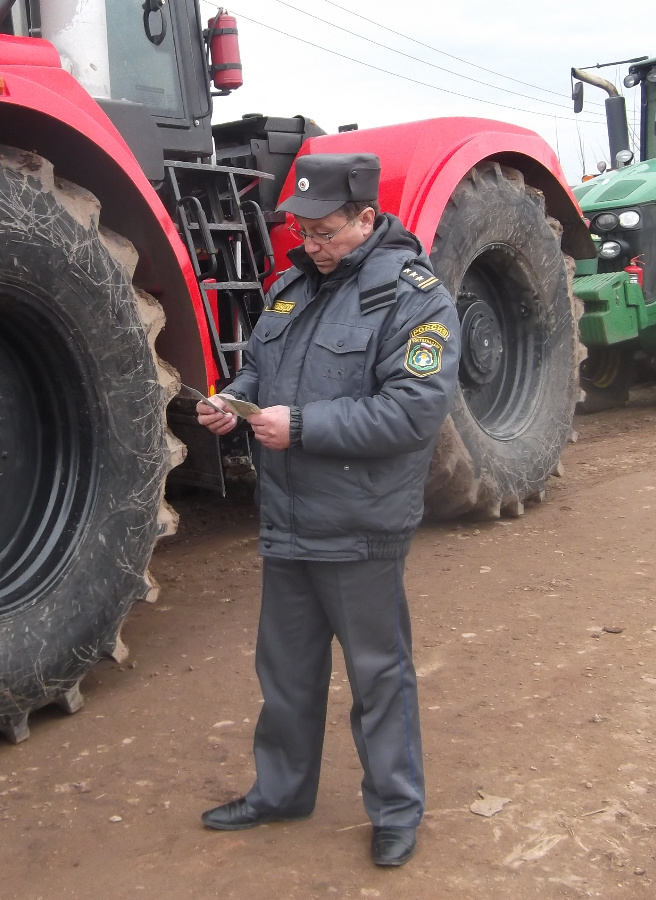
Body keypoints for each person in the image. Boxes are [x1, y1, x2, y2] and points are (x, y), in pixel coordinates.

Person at [197, 153, 460, 867]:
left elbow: (412, 412)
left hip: (359, 524)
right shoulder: (291, 287)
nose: (309, 245)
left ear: (367, 218)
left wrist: (303, 426)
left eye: (324, 232)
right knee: (284, 672)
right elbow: (260, 366)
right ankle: (282, 792)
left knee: (378, 676)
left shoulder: (414, 298)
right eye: (301, 231)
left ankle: (396, 810)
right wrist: (231, 398)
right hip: (287, 522)